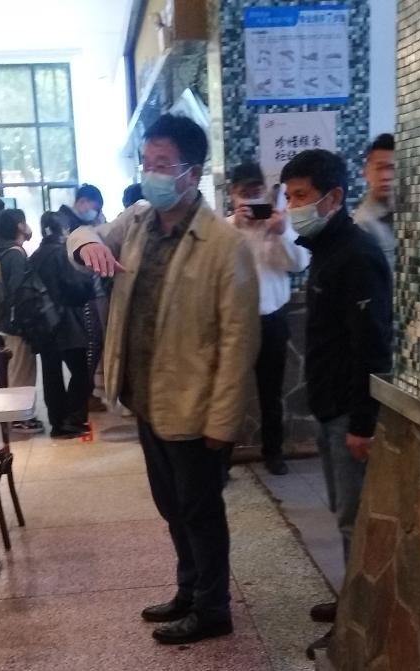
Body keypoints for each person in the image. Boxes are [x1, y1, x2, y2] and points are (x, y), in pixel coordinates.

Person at [68, 114, 259, 645]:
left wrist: (223, 423)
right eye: (146, 163)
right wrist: (86, 246)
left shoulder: (224, 244)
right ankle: (189, 590)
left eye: (162, 164)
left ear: (191, 173)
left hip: (194, 406)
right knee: (172, 506)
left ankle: (213, 608)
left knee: (200, 511)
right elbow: (81, 233)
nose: (151, 173)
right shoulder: (137, 222)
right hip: (147, 397)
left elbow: (238, 341)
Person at [280, 149, 393, 659]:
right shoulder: (326, 249)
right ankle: (352, 601)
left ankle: (359, 622)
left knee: (355, 520)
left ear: (334, 197)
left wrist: (363, 423)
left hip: (350, 411)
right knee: (342, 512)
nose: (293, 206)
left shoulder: (356, 254)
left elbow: (372, 345)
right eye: (288, 196)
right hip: (331, 407)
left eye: (301, 195)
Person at [227, 162, 310, 475]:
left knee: (271, 393)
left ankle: (273, 453)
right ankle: (222, 459)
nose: (251, 198)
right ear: (233, 195)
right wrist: (236, 228)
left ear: (266, 191)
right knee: (230, 393)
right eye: (244, 192)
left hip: (273, 319)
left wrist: (282, 233)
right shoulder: (224, 230)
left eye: (256, 191)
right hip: (236, 323)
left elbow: (300, 264)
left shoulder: (280, 225)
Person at [29, 211, 97, 438]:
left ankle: (57, 423)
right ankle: (74, 419)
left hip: (43, 324)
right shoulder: (62, 254)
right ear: (64, 230)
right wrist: (89, 284)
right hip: (68, 323)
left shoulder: (35, 256)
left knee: (51, 374)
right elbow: (76, 285)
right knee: (81, 371)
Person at [42, 183, 108, 412]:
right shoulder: (70, 226)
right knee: (89, 346)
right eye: (95, 207)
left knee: (80, 351)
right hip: (75, 301)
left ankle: (77, 402)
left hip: (68, 302)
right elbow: (72, 270)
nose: (95, 212)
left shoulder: (71, 222)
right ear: (83, 202)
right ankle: (82, 400)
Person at [0, 209, 45, 435]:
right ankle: (18, 418)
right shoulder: (16, 254)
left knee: (18, 369)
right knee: (21, 372)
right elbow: (17, 291)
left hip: (9, 321)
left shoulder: (5, 251)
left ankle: (20, 415)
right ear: (19, 226)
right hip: (17, 323)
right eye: (24, 222)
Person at [354, 133, 396, 274]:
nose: (385, 176)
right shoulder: (362, 224)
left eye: (392, 168)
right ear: (366, 172)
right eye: (380, 168)